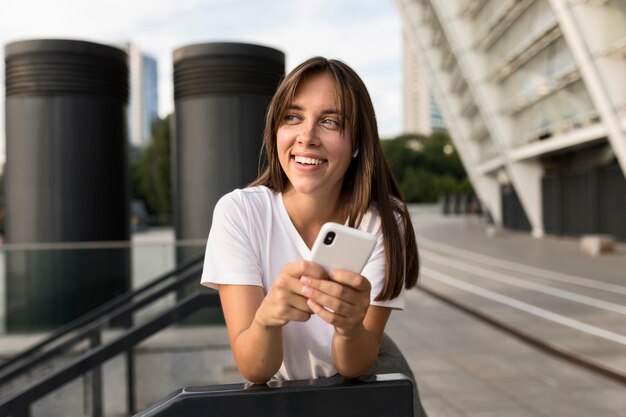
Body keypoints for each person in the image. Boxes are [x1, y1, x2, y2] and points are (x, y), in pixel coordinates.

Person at [201, 56, 426, 416]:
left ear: (357, 142)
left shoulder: (383, 221)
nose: (307, 136)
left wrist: (350, 328)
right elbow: (254, 368)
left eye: (330, 122)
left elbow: (355, 365)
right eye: (292, 117)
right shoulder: (240, 213)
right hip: (286, 396)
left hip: (367, 387)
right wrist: (268, 316)